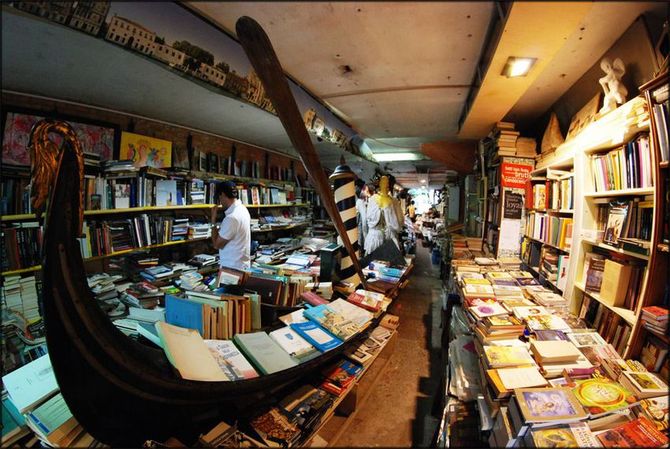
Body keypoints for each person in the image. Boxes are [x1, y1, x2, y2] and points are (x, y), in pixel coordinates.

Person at [210, 180, 251, 270]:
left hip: (232, 268)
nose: (220, 202)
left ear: (223, 195)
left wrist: (213, 221)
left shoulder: (232, 218)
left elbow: (217, 245)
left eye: (220, 198)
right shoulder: (243, 209)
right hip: (241, 265)